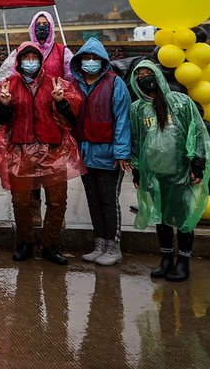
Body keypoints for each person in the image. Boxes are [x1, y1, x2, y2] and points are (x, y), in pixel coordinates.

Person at [0, 41, 84, 265]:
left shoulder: (56, 83)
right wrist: (4, 104)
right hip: (20, 150)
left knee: (57, 201)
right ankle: (25, 243)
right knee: (21, 202)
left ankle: (51, 245)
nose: (30, 62)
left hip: (53, 150)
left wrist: (61, 102)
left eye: (34, 58)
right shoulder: (8, 85)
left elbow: (72, 117)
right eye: (26, 58)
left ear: (41, 60)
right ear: (19, 62)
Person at [130, 59, 210, 282]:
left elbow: (196, 132)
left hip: (180, 172)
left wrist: (197, 164)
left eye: (148, 74)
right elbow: (136, 140)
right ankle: (166, 259)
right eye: (140, 76)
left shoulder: (181, 102)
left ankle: (184, 263)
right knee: (161, 218)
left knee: (183, 218)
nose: (144, 79)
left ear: (158, 75)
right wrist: (137, 171)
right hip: (154, 173)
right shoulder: (138, 108)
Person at [70, 38, 133, 266]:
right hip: (85, 154)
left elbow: (123, 120)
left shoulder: (115, 84)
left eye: (95, 58)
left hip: (108, 155)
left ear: (103, 61)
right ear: (79, 61)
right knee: (93, 201)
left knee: (109, 201)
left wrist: (121, 152)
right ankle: (99, 243)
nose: (90, 62)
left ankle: (113, 247)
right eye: (86, 58)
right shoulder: (74, 85)